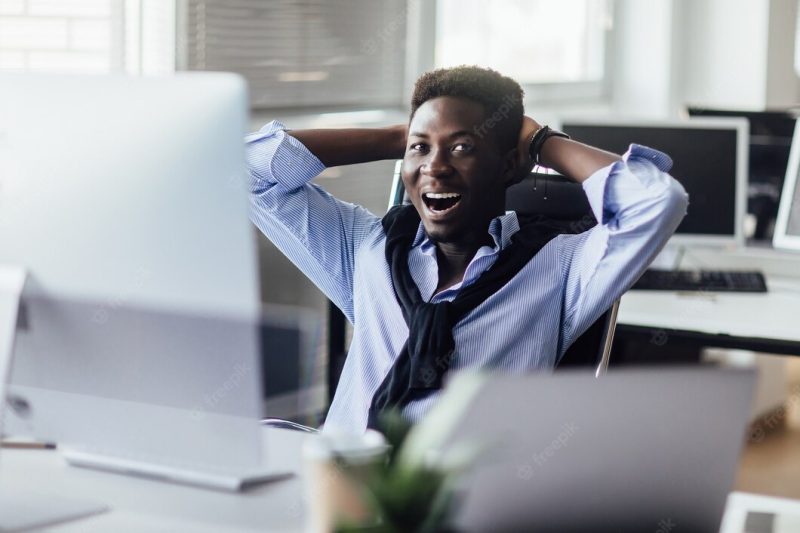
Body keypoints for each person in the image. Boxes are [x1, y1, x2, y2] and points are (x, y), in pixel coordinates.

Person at [245, 66, 688, 433]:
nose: (435, 166)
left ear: (509, 166)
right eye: (421, 149)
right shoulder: (369, 249)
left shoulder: (560, 269)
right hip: (341, 492)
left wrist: (540, 143)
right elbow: (247, 170)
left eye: (461, 148)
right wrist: (398, 137)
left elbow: (656, 202)